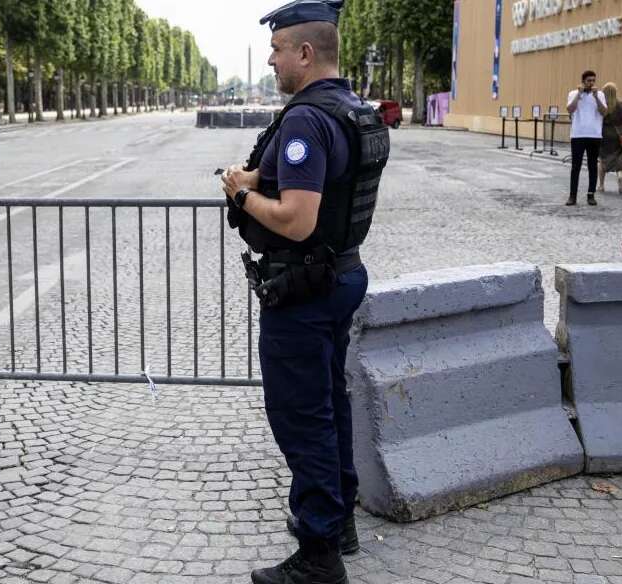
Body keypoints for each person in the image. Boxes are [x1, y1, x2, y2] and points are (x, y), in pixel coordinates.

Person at [220, 2, 389, 582]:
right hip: (342, 274)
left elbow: (296, 218)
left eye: (278, 50)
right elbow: (329, 182)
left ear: (306, 53)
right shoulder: (352, 110)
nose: (271, 60)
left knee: (302, 416)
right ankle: (338, 521)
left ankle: (318, 556)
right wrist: (261, 177)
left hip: (303, 286)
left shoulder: (304, 119)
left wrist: (241, 195)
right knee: (330, 402)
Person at [565, 71, 606, 206]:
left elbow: (604, 112)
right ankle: (572, 196)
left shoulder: (600, 94)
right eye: (589, 81)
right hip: (578, 134)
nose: (591, 83)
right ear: (583, 81)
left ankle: (591, 195)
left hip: (594, 135)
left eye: (593, 80)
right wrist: (579, 94)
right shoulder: (573, 93)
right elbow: (570, 109)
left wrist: (596, 97)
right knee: (575, 166)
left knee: (592, 166)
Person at [597, 83, 622, 194]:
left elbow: (598, 120)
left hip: (605, 135)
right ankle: (620, 179)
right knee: (620, 160)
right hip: (620, 135)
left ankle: (601, 185)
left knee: (602, 161)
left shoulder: (602, 105)